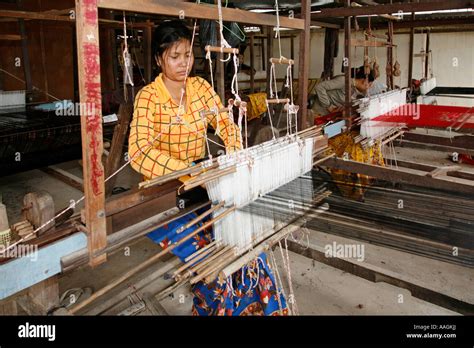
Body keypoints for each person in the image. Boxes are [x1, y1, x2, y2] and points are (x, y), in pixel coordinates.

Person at [128, 20, 287, 316]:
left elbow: (225, 123)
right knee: (214, 267)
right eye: (174, 56)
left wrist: (234, 154)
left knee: (251, 252)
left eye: (188, 55)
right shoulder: (148, 98)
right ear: (158, 59)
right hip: (165, 198)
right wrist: (189, 172)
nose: (183, 63)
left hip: (205, 187)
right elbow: (138, 152)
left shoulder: (200, 87)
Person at [310, 66, 374, 117]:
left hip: (328, 116)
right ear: (365, 81)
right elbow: (320, 87)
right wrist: (328, 106)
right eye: (370, 84)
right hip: (318, 113)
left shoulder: (354, 90)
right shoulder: (344, 81)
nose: (369, 87)